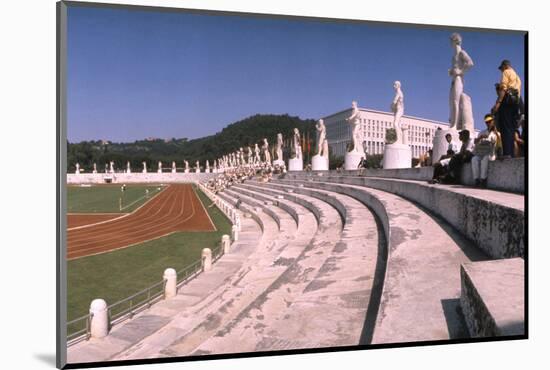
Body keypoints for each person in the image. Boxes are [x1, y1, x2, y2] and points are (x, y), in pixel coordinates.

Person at [492, 59, 522, 157]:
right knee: (511, 128)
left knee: (505, 127)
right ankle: (511, 153)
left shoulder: (506, 72)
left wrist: (498, 103)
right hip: (515, 103)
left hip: (507, 102)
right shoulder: (517, 76)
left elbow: (503, 89)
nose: (501, 71)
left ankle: (507, 153)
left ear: (505, 66)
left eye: (501, 68)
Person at [471, 114, 498, 188]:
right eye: (487, 122)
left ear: (493, 122)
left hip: (491, 153)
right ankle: (476, 180)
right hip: (481, 152)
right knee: (474, 159)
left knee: (485, 159)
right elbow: (475, 142)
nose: (488, 123)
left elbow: (496, 143)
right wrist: (480, 138)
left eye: (490, 121)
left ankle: (483, 180)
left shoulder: (497, 133)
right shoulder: (482, 132)